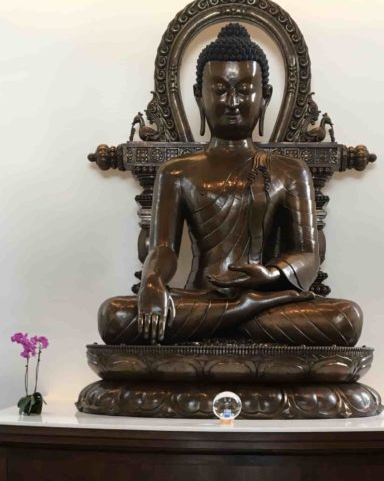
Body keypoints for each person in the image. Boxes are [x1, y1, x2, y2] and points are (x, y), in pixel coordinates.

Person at [98, 22, 363, 346]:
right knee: (114, 316)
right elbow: (163, 248)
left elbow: (307, 255)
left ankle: (244, 307)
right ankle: (241, 310)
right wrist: (152, 281)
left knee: (344, 319)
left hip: (266, 304)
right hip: (201, 298)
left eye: (244, 89)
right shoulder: (177, 172)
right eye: (220, 89)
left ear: (264, 96)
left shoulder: (291, 170)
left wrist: (271, 276)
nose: (232, 101)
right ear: (199, 95)